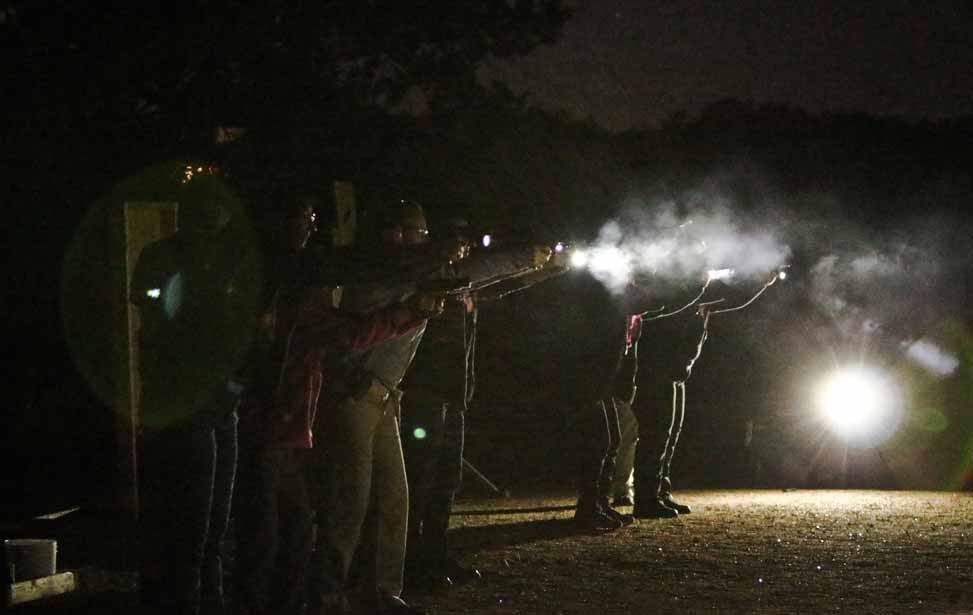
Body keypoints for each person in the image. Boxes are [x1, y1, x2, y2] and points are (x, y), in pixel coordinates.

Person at [314, 200, 547, 615]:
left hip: (384, 397)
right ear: (396, 235)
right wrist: (512, 259)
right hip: (355, 395)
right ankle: (329, 596)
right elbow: (393, 289)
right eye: (418, 234)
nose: (426, 241)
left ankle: (382, 592)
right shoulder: (377, 271)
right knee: (348, 504)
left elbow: (472, 276)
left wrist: (526, 265)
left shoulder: (416, 270)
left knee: (392, 501)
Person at [233, 199, 434, 615]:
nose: (309, 225)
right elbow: (348, 333)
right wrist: (410, 312)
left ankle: (314, 598)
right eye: (302, 217)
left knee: (294, 526)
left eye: (310, 217)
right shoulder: (292, 280)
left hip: (287, 421)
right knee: (274, 532)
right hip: (274, 418)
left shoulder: (294, 274)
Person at [400, 218, 562, 590]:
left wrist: (542, 271)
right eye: (457, 243)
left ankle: (434, 554)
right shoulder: (430, 274)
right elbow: (480, 273)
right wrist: (524, 258)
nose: (465, 249)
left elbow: (495, 283)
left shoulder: (461, 282)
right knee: (421, 481)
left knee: (446, 481)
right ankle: (411, 562)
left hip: (452, 395)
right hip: (425, 392)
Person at [131, 174, 261, 615]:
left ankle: (206, 599)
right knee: (193, 522)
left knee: (211, 521)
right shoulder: (167, 257)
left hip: (216, 404)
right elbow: (161, 315)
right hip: (190, 405)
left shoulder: (217, 261)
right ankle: (191, 600)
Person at [609, 315, 643, 508]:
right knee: (619, 435)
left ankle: (612, 488)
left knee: (624, 434)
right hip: (613, 375)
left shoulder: (634, 317)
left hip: (623, 377)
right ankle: (618, 488)